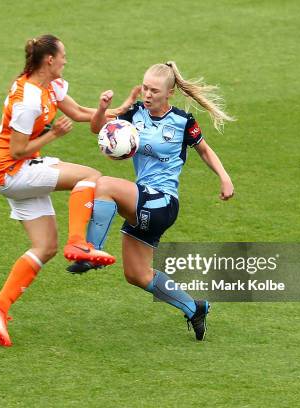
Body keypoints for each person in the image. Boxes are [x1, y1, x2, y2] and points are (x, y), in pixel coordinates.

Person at [0, 34, 137, 347]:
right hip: (14, 171)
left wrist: (118, 108)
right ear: (49, 60)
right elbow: (17, 150)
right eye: (63, 55)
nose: (66, 60)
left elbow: (80, 113)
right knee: (91, 177)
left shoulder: (49, 86)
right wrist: (53, 136)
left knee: (45, 247)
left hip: (16, 174)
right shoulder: (28, 100)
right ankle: (80, 243)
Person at [65, 61, 235, 341]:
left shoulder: (182, 121)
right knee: (136, 274)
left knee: (104, 184)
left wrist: (224, 177)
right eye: (144, 87)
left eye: (154, 90)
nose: (147, 93)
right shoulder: (134, 114)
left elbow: (204, 150)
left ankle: (90, 251)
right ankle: (195, 308)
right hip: (143, 200)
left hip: (163, 202)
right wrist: (101, 107)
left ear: (168, 93)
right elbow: (98, 129)